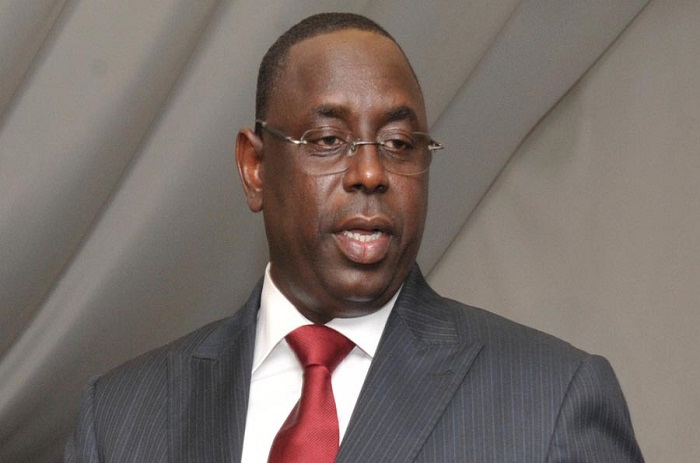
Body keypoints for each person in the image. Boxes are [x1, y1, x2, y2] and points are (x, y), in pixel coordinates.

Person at [65, 12, 643, 462]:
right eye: (327, 140)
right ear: (255, 167)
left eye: (398, 144)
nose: (370, 173)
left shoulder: (551, 400)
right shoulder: (118, 420)